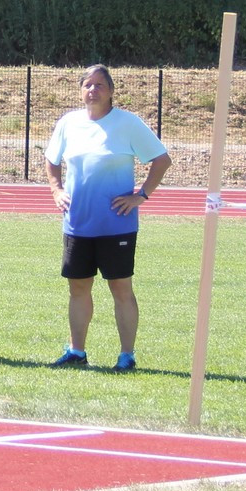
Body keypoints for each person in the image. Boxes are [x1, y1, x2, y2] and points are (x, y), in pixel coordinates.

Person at [42, 64, 171, 372]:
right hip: (78, 223)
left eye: (100, 85)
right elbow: (51, 160)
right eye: (88, 85)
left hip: (117, 224)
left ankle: (127, 356)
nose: (93, 90)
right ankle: (77, 351)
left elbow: (162, 160)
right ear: (80, 91)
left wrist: (141, 195)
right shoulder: (69, 123)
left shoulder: (128, 123)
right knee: (78, 288)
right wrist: (56, 190)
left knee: (121, 289)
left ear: (111, 91)